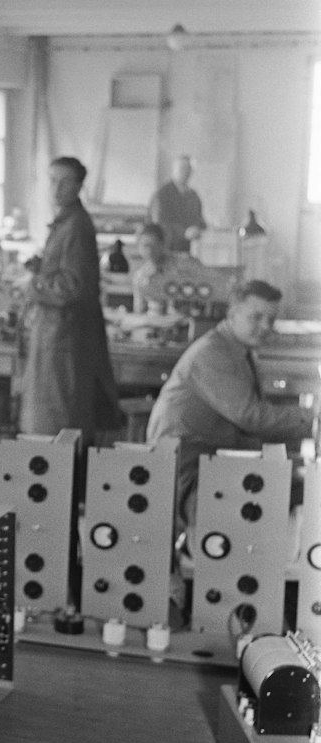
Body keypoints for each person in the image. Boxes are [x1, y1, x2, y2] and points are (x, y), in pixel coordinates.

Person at [146, 279, 316, 550]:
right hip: (186, 465)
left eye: (270, 320)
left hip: (212, 455)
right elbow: (251, 417)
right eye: (256, 317)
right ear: (232, 314)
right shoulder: (213, 353)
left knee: (302, 487)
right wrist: (314, 420)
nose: (265, 327)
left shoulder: (236, 349)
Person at [19, 156, 122, 444]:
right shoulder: (66, 222)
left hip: (63, 340)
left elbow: (72, 287)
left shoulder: (77, 226)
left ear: (78, 187)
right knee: (48, 422)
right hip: (54, 335)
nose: (56, 188)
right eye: (52, 180)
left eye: (65, 182)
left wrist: (34, 283)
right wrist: (42, 265)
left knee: (57, 424)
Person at [147, 154, 207, 252]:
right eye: (182, 168)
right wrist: (184, 233)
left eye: (189, 169)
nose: (186, 172)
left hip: (190, 250)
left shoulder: (193, 196)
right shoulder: (162, 195)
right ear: (174, 170)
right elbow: (159, 224)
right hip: (167, 250)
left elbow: (199, 220)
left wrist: (204, 228)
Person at [131, 222, 194, 314]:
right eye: (145, 246)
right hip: (154, 321)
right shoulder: (140, 276)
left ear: (162, 244)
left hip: (181, 318)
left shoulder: (181, 264)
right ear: (139, 247)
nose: (149, 251)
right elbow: (139, 309)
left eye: (153, 246)